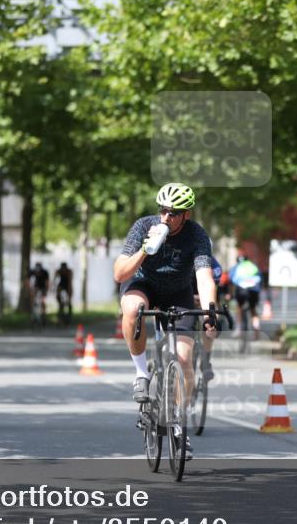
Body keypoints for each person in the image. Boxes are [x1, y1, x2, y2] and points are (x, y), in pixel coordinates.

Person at [113, 182, 218, 459]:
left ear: (186, 214)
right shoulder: (144, 226)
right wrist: (145, 250)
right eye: (163, 210)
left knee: (184, 358)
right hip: (142, 283)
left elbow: (204, 277)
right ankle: (141, 373)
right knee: (133, 310)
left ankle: (179, 426)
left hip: (178, 291)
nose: (166, 217)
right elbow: (120, 274)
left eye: (173, 213)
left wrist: (209, 311)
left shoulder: (196, 235)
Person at [231, 254, 263, 334]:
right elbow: (260, 279)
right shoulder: (253, 266)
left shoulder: (236, 267)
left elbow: (232, 279)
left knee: (239, 307)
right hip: (253, 290)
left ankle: (239, 329)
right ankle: (256, 330)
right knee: (253, 310)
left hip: (241, 290)